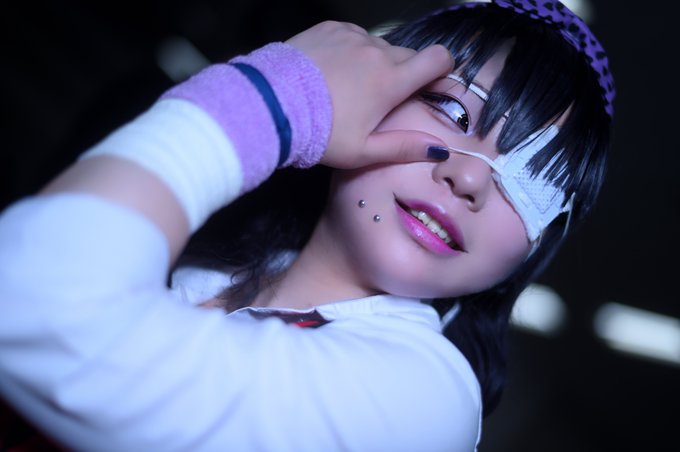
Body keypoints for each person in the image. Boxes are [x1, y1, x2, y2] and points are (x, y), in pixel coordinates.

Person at [0, 0, 614, 450]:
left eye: (535, 180)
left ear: (535, 249)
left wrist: (273, 98)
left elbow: (27, 303)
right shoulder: (200, 259)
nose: (471, 177)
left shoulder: (423, 401)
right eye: (452, 110)